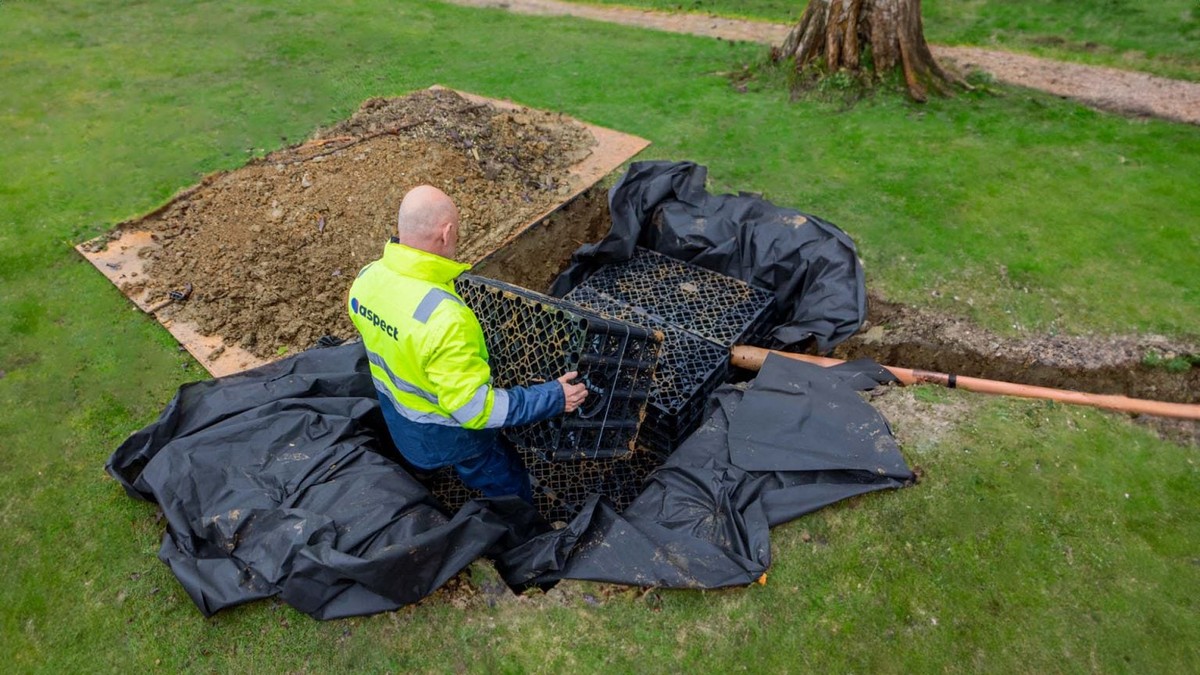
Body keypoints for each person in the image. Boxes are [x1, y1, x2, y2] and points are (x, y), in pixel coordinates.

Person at [347, 185, 587, 503]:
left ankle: (422, 476)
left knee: (421, 460)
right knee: (504, 480)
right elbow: (476, 411)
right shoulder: (446, 319)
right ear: (446, 233)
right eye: (457, 231)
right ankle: (523, 525)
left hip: (400, 422)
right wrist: (553, 397)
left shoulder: (366, 279)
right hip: (449, 436)